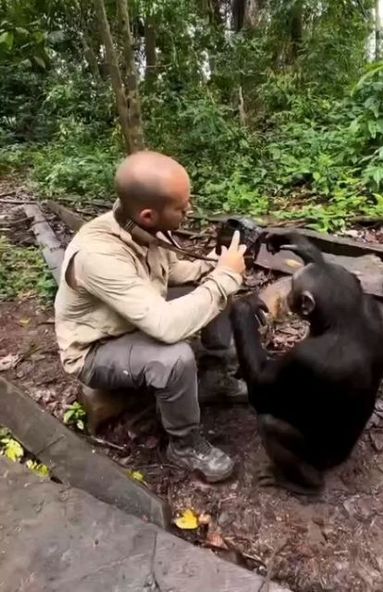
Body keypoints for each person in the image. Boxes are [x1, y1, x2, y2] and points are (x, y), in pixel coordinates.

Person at [54, 151, 248, 483]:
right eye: (181, 207)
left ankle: (215, 378)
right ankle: (184, 444)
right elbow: (166, 326)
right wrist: (225, 277)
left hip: (135, 316)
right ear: (148, 215)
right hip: (98, 348)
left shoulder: (139, 225)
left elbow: (172, 271)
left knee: (215, 292)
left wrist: (215, 264)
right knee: (174, 357)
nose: (188, 211)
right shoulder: (99, 255)